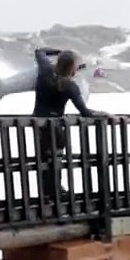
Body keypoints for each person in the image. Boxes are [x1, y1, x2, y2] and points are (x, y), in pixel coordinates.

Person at [32, 48, 107, 203]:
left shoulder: (45, 71)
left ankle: (46, 194)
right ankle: (55, 193)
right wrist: (106, 114)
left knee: (44, 161)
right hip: (55, 128)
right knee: (55, 161)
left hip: (39, 125)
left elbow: (39, 51)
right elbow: (85, 112)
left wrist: (59, 51)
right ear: (73, 67)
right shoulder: (69, 86)